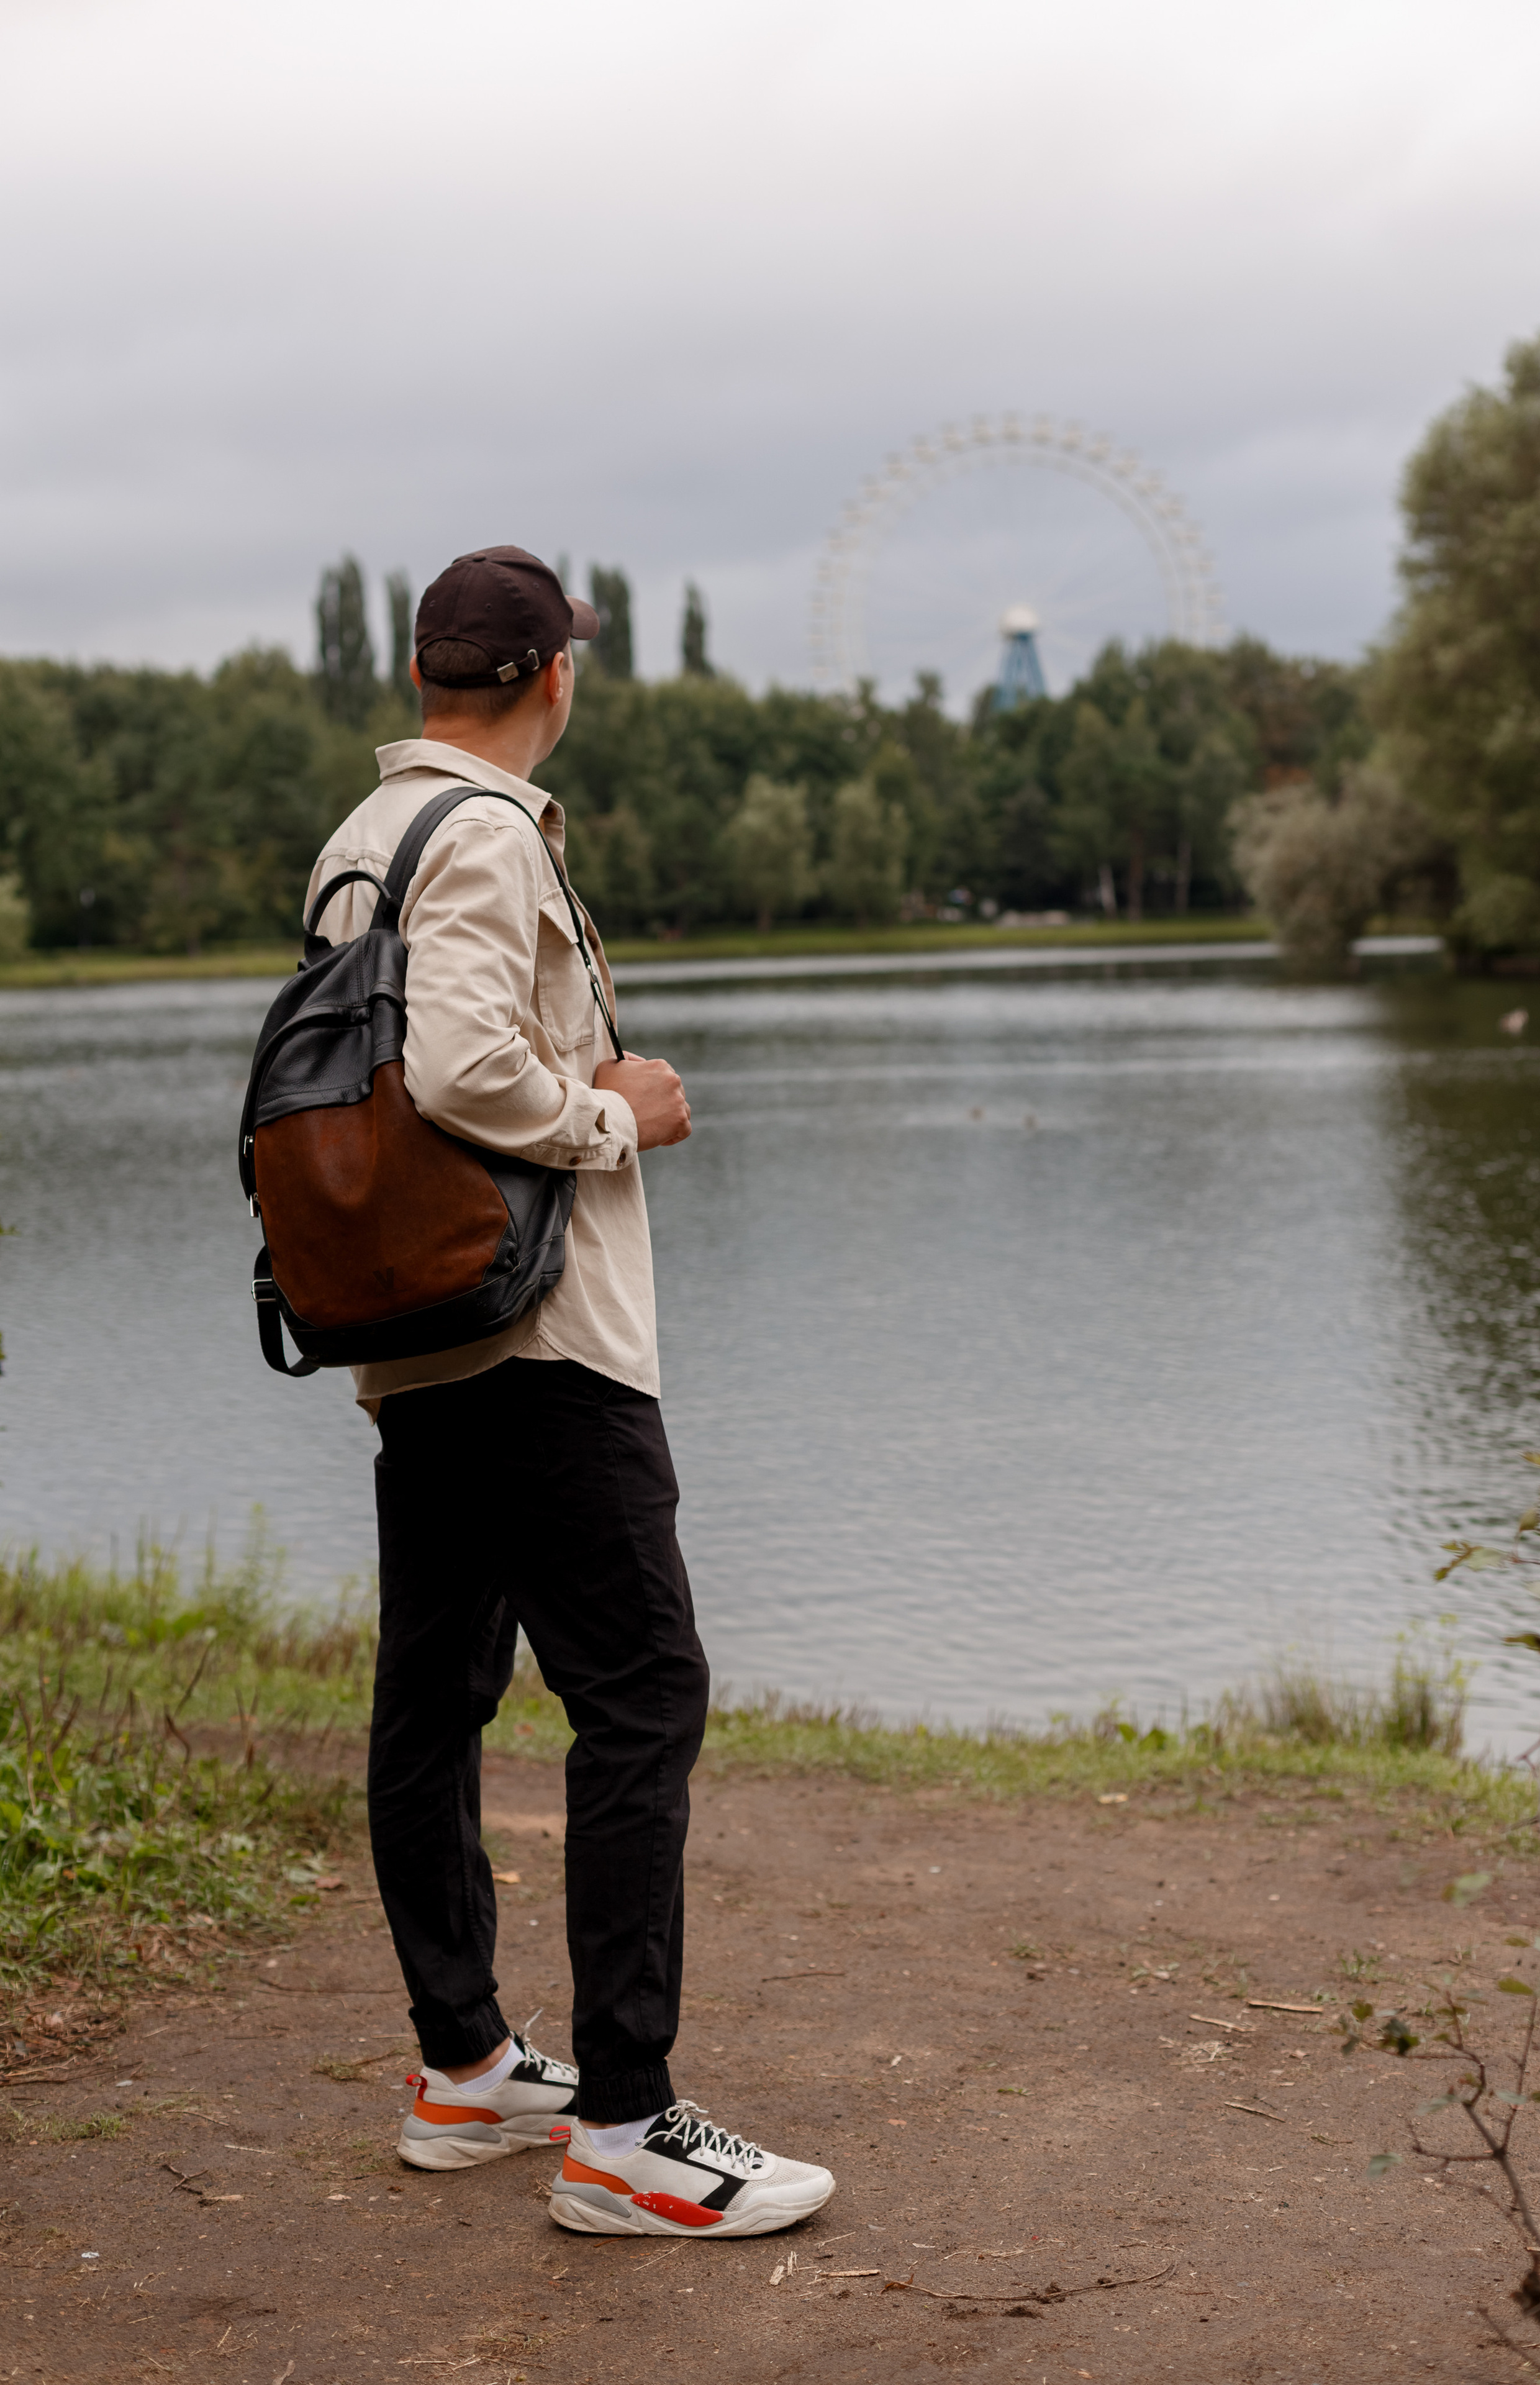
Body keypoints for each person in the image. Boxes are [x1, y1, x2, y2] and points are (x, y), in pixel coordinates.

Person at [304, 545, 835, 2238]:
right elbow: (460, 1065)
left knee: (439, 1685)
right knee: (644, 1693)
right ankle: (625, 2125)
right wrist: (619, 1115)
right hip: (539, 1336)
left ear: (420, 678)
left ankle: (464, 2070)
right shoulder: (484, 833)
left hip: (415, 1328)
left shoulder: (360, 842)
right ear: (555, 677)